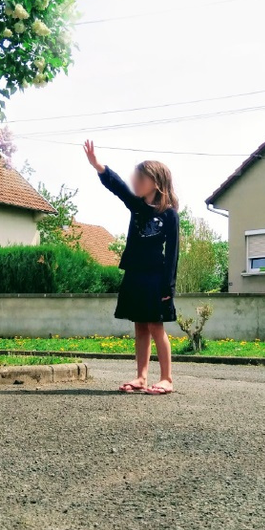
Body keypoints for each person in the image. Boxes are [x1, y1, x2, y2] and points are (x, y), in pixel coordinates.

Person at [83, 140, 179, 395]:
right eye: (135, 178)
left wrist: (168, 287)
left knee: (156, 326)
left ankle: (167, 379)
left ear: (155, 182)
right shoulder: (137, 206)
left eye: (140, 179)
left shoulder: (169, 214)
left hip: (155, 277)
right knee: (140, 326)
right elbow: (118, 187)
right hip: (135, 274)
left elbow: (173, 254)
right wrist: (99, 167)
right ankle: (141, 377)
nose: (135, 182)